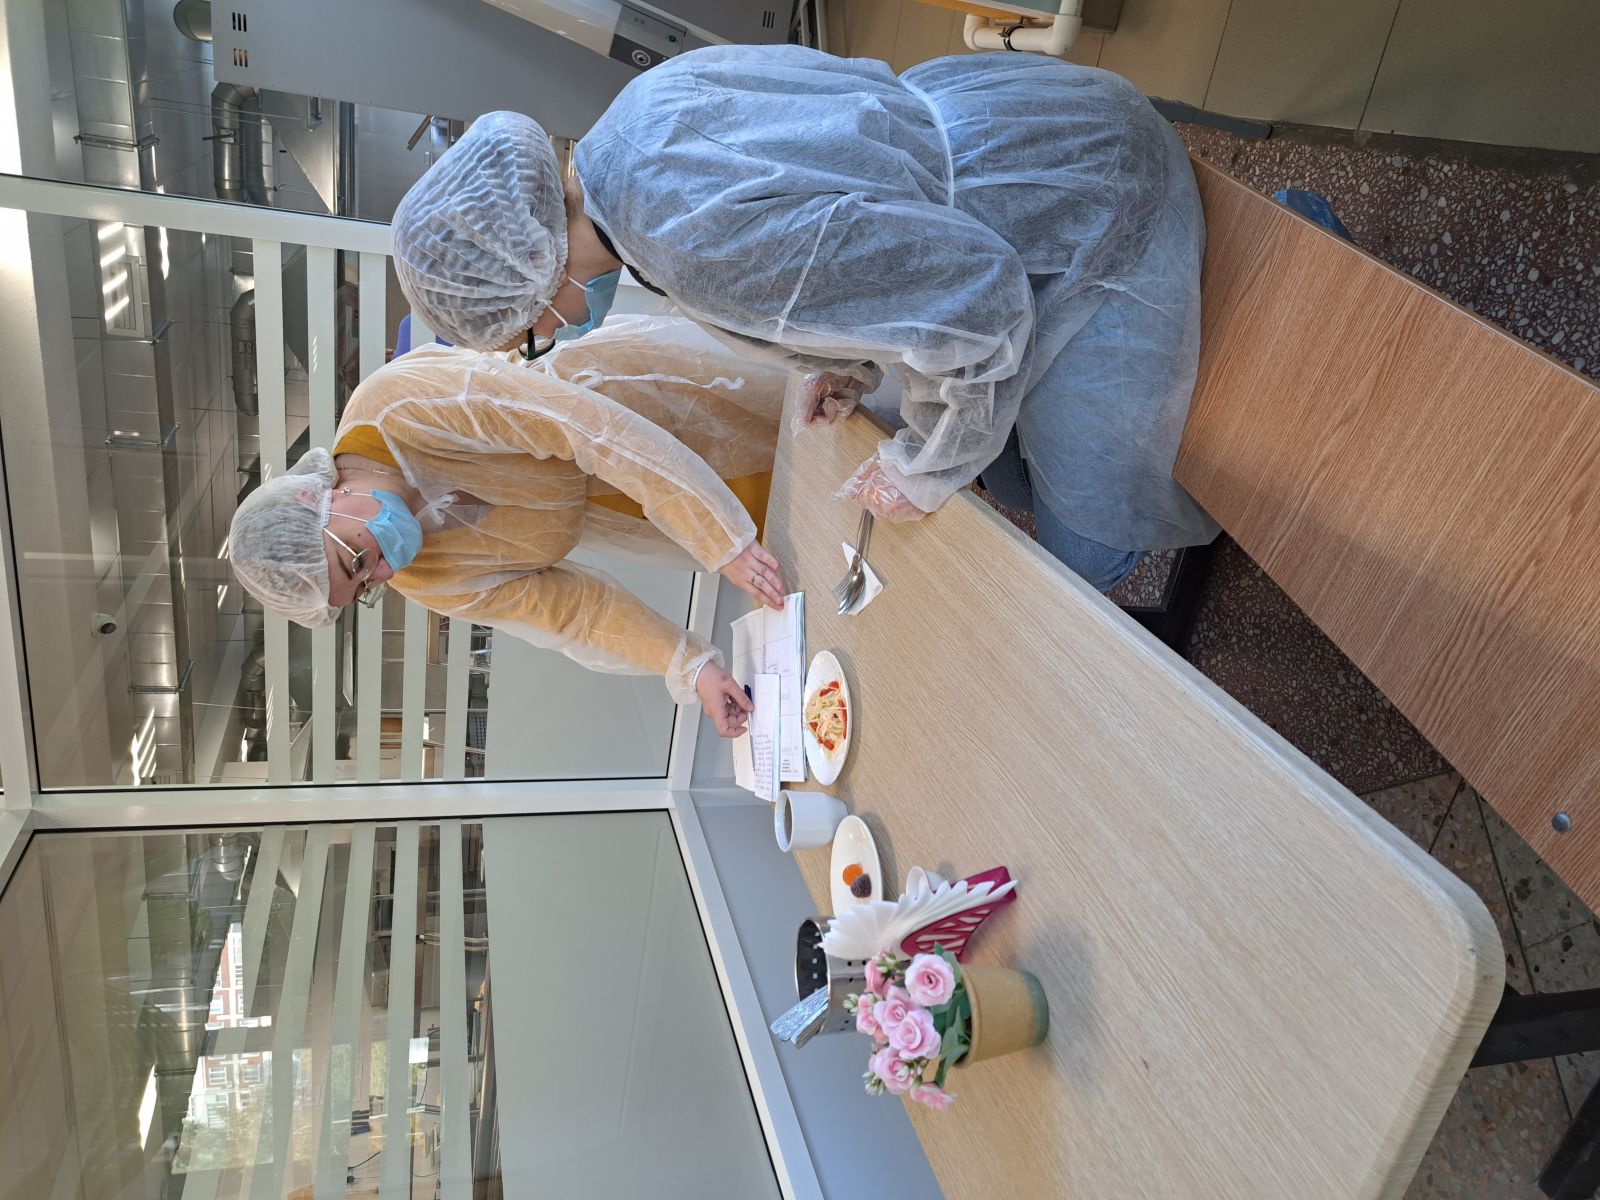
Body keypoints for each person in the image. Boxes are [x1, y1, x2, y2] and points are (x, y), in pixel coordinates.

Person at [390, 49, 1220, 593]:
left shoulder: (688, 244)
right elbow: (829, 192)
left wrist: (923, 465)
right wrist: (843, 355)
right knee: (1002, 475)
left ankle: (1270, 334)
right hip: (1018, 115)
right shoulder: (630, 131)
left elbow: (983, 303)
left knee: (1088, 557)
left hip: (1083, 201)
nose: (561, 333)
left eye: (532, 334)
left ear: (537, 278)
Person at [227, 315, 788, 738]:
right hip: (646, 513)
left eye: (355, 560)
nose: (386, 572)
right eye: (366, 587)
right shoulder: (424, 578)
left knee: (810, 424)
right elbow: (574, 612)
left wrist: (719, 535)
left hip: (655, 406)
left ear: (317, 497)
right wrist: (691, 667)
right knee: (792, 534)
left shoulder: (396, 409)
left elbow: (584, 427)